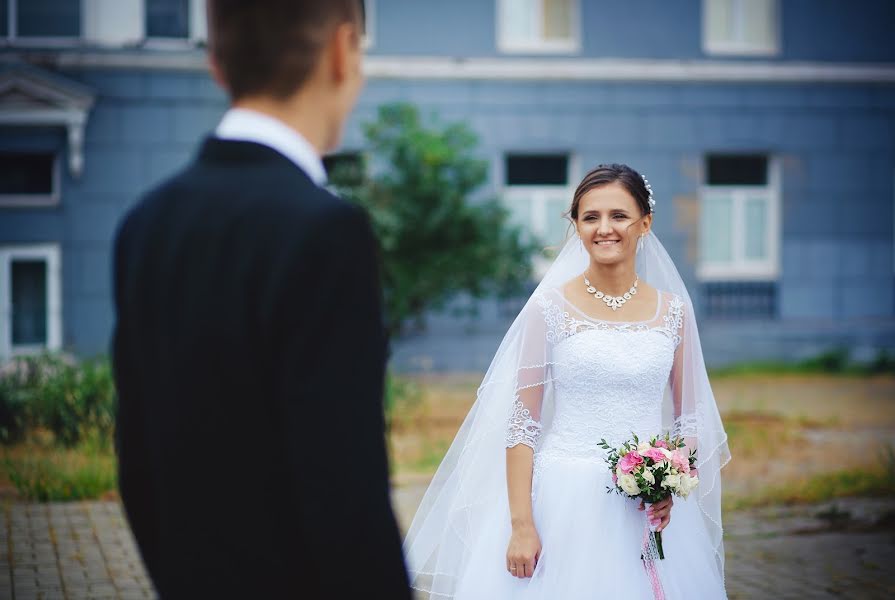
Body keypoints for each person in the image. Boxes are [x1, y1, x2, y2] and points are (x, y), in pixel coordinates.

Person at [111, 1, 410, 597]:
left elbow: (137, 462)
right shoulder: (325, 231)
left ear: (217, 64)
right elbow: (344, 492)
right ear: (341, 51)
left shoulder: (146, 223)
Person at [403, 164, 730, 599]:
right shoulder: (548, 308)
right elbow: (522, 425)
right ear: (576, 226)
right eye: (590, 217)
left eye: (619, 215)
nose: (604, 228)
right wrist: (522, 525)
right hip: (563, 501)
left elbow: (691, 417)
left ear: (645, 223)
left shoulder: (673, 312)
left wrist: (672, 481)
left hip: (647, 509)